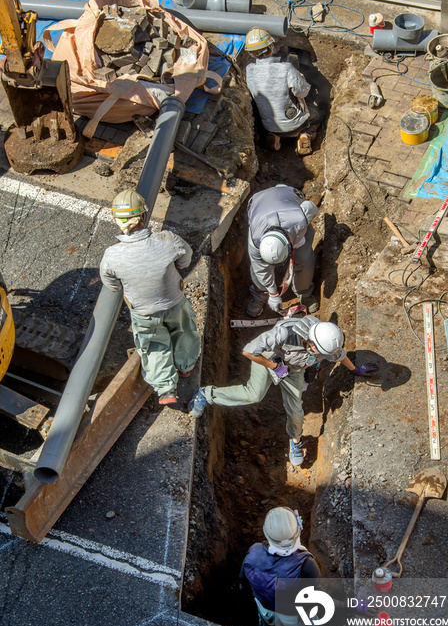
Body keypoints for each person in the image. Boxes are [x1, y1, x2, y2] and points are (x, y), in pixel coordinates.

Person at [188, 315, 375, 464]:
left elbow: (340, 356)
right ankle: (206, 394)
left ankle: (295, 442)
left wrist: (356, 370)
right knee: (254, 395)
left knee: (296, 410)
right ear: (311, 343)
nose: (326, 357)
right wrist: (274, 366)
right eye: (322, 354)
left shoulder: (327, 341)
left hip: (294, 370)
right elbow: (248, 351)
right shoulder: (284, 334)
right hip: (269, 359)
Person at [100, 189, 200, 405]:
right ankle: (185, 367)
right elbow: (186, 258)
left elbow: (113, 286)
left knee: (154, 344)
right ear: (143, 216)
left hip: (143, 313)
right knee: (183, 331)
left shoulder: (112, 255)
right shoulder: (166, 239)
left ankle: (166, 389)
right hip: (174, 303)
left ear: (117, 221)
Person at [240, 506, 321, 626]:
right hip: (296, 616)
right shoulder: (306, 564)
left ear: (266, 533)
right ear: (298, 530)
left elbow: (242, 580)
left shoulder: (254, 553)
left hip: (267, 612)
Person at [244, 27, 320, 155]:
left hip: (268, 126)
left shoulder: (249, 70)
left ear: (251, 53)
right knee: (316, 115)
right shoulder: (286, 69)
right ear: (272, 47)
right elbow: (302, 93)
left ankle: (274, 137)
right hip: (296, 124)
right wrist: (303, 81)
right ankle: (305, 136)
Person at [246, 184, 318, 318]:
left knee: (303, 258)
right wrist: (273, 294)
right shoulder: (255, 241)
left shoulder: (299, 221)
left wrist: (298, 241)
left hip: (288, 195)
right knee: (257, 267)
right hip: (258, 202)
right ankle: (260, 295)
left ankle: (303, 292)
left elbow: (311, 207)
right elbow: (261, 269)